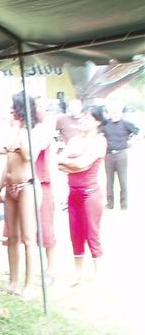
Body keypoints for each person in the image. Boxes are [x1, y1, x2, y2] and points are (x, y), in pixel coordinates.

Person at [0, 93, 40, 299]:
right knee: (12, 236)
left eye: (14, 106)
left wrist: (18, 142)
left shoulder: (31, 132)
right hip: (10, 185)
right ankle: (13, 281)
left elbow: (29, 155)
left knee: (28, 238)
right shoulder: (13, 130)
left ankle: (29, 284)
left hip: (26, 187)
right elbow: (7, 161)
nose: (11, 110)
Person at [58, 108, 107, 285]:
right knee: (75, 234)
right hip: (74, 192)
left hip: (90, 193)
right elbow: (59, 163)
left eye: (87, 118)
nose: (82, 121)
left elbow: (82, 163)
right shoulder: (74, 140)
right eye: (82, 118)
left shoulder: (99, 141)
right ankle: (78, 274)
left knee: (92, 234)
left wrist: (72, 164)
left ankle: (98, 275)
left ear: (97, 122)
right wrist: (74, 165)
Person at [101, 101, 138, 210]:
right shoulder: (105, 124)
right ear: (109, 113)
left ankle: (124, 205)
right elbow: (99, 134)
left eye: (117, 112)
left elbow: (138, 131)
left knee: (123, 180)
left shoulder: (126, 124)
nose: (115, 114)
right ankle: (110, 204)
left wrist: (132, 141)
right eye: (113, 112)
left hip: (121, 154)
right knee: (109, 181)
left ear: (121, 112)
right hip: (108, 155)